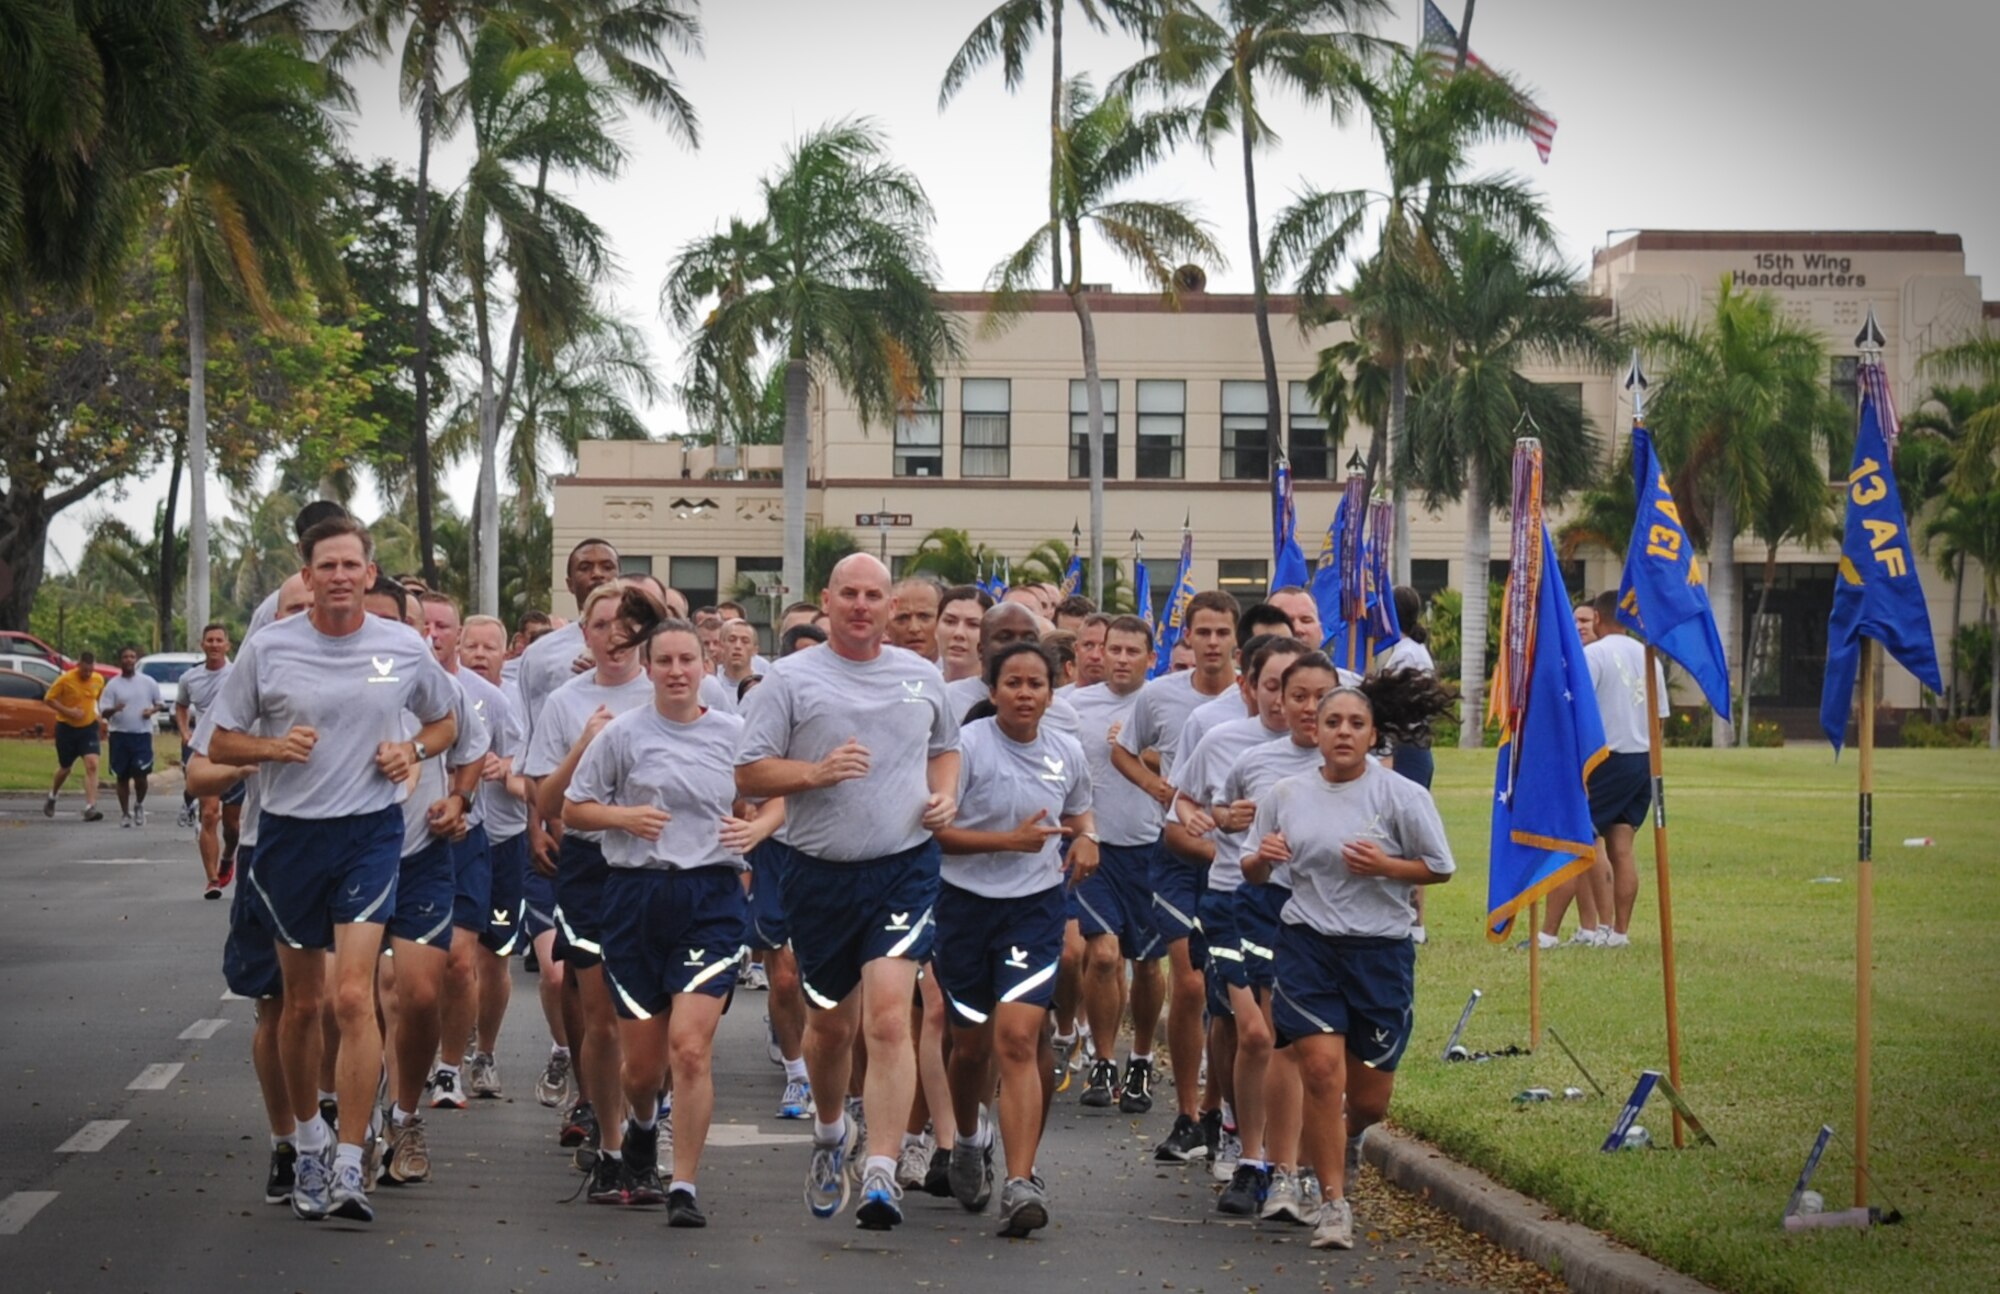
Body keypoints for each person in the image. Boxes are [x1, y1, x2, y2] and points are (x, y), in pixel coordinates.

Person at [207, 515, 458, 1224]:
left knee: (353, 996)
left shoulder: (403, 645)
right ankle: (309, 1141)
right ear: (308, 575)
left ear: (370, 573)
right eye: (328, 566)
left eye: (353, 565)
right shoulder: (271, 647)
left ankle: (351, 1160)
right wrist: (271, 748)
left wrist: (413, 752)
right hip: (289, 837)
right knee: (303, 1003)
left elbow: (445, 723)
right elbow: (220, 737)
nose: (341, 576)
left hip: (370, 834)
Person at [735, 553, 959, 1231]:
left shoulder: (923, 677)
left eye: (875, 595)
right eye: (850, 595)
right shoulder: (790, 680)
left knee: (890, 1015)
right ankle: (833, 1135)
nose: (863, 606)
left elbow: (945, 748)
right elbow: (749, 775)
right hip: (819, 872)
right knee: (830, 1029)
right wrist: (816, 772)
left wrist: (944, 795)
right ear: (827, 601)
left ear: (890, 607)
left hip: (903, 864)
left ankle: (883, 1172)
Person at [565, 617, 782, 1226]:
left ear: (705, 665)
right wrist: (622, 818)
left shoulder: (735, 735)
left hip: (709, 897)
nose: (678, 672)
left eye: (689, 660)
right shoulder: (623, 735)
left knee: (689, 1049)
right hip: (634, 897)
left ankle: (682, 1183)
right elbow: (573, 808)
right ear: (650, 667)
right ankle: (639, 1126)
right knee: (643, 1068)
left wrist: (756, 829)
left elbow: (781, 797)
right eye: (665, 661)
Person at [1244, 674, 1457, 1250]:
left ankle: (1346, 1136)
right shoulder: (1286, 795)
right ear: (1316, 731)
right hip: (1308, 944)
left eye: (1355, 724)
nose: (1342, 732)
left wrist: (1387, 867)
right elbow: (1253, 868)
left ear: (1372, 736)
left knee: (1367, 1100)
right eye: (1332, 722)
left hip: (1381, 951)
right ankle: (1332, 1203)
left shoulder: (1402, 796)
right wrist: (1261, 858)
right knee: (1319, 1071)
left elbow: (1440, 867)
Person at [933, 641, 1095, 1237]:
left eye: (1037, 684)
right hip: (964, 908)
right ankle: (970, 1139)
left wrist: (1087, 839)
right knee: (970, 1048)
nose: (1025, 694)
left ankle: (1021, 1181)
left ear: (1053, 692)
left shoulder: (1068, 751)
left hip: (1034, 907)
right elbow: (938, 834)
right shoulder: (966, 748)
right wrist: (1007, 841)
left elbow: (1080, 813)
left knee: (1019, 1040)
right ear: (992, 689)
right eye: (1013, 684)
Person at [1177, 651, 1339, 1217]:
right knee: (1256, 1035)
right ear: (1261, 692)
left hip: (1320, 915)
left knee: (1288, 1041)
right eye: (1292, 694)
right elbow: (1201, 816)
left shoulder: (1353, 767)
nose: (1305, 707)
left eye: (1321, 698)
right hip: (1244, 906)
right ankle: (1252, 1158)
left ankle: (1295, 1161)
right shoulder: (1245, 756)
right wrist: (1228, 824)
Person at [527, 582, 665, 1202]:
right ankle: (611, 1147)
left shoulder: (673, 686)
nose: (614, 634)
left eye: (625, 623)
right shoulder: (564, 702)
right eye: (601, 623)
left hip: (663, 868)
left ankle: (645, 1131)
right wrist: (586, 742)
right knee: (604, 1017)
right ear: (583, 635)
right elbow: (546, 801)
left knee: (657, 1020)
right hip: (590, 865)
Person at [183, 572, 313, 1207]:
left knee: (347, 1001)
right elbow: (197, 770)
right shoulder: (255, 677)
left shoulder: (374, 668)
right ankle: (286, 1140)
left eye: (313, 606)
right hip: (269, 850)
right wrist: (255, 757)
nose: (305, 616)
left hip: (355, 854)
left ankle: (338, 1130)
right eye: (292, 607)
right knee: (276, 1005)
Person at [1156, 637, 1309, 1171]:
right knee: (1241, 1025)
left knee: (1279, 1035)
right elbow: (1180, 808)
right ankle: (1242, 1140)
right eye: (1274, 686)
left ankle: (1278, 1150)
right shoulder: (1224, 741)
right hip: (1231, 898)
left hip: (1307, 910)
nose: (1289, 701)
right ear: (1251, 688)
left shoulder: (1335, 755)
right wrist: (1216, 823)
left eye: (1304, 690)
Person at [1112, 590, 1240, 1124]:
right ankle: (1187, 1111)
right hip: (1176, 857)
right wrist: (1160, 791)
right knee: (1188, 980)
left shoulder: (1252, 700)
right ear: (1186, 636)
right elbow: (1121, 749)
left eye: (1222, 632)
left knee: (1225, 990)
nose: (1211, 643)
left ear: (1237, 638)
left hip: (1234, 861)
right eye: (1202, 632)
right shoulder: (1160, 697)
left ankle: (1215, 1106)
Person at [1065, 615, 1166, 1110]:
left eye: (1133, 651)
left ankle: (1142, 1060)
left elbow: (1190, 771)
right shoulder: (1069, 705)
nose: (1121, 659)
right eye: (1113, 649)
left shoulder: (1163, 705)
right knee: (1103, 955)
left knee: (1147, 962)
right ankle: (1103, 1060)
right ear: (1099, 652)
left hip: (1151, 849)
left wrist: (1140, 751)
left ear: (1151, 657)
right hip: (1093, 848)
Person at [1544, 589, 1667, 949]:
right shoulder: (1650, 658)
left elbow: (1575, 710)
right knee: (1622, 847)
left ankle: (1548, 934)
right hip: (1642, 758)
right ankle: (1618, 933)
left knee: (1576, 841)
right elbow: (1659, 720)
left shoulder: (1594, 655)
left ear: (1597, 617)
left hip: (1604, 760)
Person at [459, 613, 532, 1099]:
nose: (481, 655)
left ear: (506, 653)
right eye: (473, 646)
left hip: (506, 839)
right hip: (459, 840)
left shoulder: (508, 705)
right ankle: (449, 1045)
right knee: (452, 957)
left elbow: (532, 776)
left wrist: (505, 767)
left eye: (491, 647)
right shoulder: (445, 692)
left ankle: (484, 1050)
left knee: (493, 957)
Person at [1376, 586, 1439, 943]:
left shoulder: (1405, 656)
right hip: (1413, 747)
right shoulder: (1410, 651)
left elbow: (1393, 709)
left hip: (1407, 749)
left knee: (1407, 835)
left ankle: (1414, 922)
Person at [179, 623, 255, 895]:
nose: (213, 644)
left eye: (218, 640)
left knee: (232, 825)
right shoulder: (190, 678)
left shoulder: (239, 674)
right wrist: (185, 730)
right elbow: (181, 705)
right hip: (204, 751)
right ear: (202, 644)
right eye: (209, 640)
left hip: (232, 751)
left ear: (227, 645)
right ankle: (212, 879)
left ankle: (228, 855)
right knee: (209, 814)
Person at [100, 645, 164, 832]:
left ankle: (139, 804)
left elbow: (159, 704)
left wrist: (150, 711)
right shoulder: (113, 685)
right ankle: (125, 812)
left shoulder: (148, 682)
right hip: (120, 734)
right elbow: (103, 712)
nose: (129, 660)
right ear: (120, 660)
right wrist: (115, 709)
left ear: (136, 660)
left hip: (142, 734)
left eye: (132, 657)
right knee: (122, 775)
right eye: (125, 657)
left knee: (140, 773)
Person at [44, 651, 107, 822]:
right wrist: (68, 711)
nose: (87, 674)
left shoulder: (98, 679)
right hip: (67, 728)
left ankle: (90, 807)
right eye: (84, 670)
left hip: (88, 728)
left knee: (92, 764)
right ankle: (53, 795)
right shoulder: (66, 680)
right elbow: (49, 699)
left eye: (90, 670)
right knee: (65, 767)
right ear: (78, 665)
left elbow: (99, 699)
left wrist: (99, 715)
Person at [935, 584, 990, 684]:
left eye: (973, 624)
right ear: (936, 627)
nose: (959, 633)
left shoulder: (997, 696)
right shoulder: (922, 687)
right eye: (950, 621)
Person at [889, 575, 944, 660]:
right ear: (886, 626)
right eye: (903, 618)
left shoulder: (960, 670)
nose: (914, 628)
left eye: (924, 617)